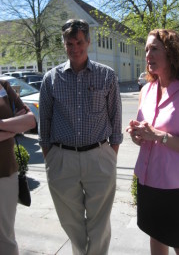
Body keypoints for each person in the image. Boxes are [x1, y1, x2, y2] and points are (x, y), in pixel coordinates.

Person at [38, 19, 123, 255]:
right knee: (70, 222)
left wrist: (109, 156)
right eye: (69, 43)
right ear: (63, 44)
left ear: (88, 41)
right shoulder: (51, 79)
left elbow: (116, 122)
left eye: (79, 42)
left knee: (99, 223)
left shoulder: (107, 76)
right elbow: (44, 124)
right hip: (62, 160)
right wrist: (51, 157)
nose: (74, 47)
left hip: (99, 158)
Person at [126, 29, 179, 255]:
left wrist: (159, 136)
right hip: (148, 180)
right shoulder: (146, 90)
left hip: (178, 186)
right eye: (146, 50)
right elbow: (147, 136)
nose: (147, 54)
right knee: (156, 236)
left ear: (172, 53)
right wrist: (138, 135)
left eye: (154, 48)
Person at [0, 79, 36, 255]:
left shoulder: (3, 86)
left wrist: (1, 125)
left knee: (5, 238)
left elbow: (30, 121)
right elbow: (21, 124)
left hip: (6, 172)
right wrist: (14, 125)